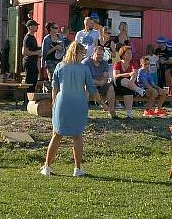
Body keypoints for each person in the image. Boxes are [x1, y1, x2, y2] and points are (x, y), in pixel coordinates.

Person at [40, 41, 96, 177]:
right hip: (79, 103)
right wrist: (103, 103)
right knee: (77, 136)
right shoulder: (84, 69)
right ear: (79, 53)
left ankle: (47, 166)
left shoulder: (60, 66)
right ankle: (77, 168)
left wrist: (54, 103)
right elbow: (91, 88)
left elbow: (55, 87)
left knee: (57, 135)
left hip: (62, 102)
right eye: (83, 53)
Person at [82, 44, 116, 117]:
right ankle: (83, 113)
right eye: (98, 54)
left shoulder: (104, 63)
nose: (101, 56)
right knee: (86, 90)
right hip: (88, 85)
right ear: (93, 53)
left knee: (111, 88)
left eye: (102, 55)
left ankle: (111, 110)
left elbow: (106, 77)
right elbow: (86, 79)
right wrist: (99, 82)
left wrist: (101, 82)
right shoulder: (86, 62)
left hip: (100, 85)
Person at [113, 46, 146, 119]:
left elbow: (134, 74)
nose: (130, 55)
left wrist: (130, 82)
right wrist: (128, 74)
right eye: (128, 53)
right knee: (120, 78)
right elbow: (115, 76)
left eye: (131, 53)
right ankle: (138, 89)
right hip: (118, 85)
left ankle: (129, 114)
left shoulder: (133, 63)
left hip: (129, 85)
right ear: (123, 54)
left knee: (128, 90)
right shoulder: (117, 63)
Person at [21, 20, 41, 93]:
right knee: (30, 81)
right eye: (35, 25)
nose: (37, 27)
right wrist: (36, 52)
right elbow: (24, 52)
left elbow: (33, 49)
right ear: (30, 27)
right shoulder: (27, 38)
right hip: (29, 62)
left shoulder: (32, 37)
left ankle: (31, 98)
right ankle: (27, 100)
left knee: (34, 80)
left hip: (33, 62)